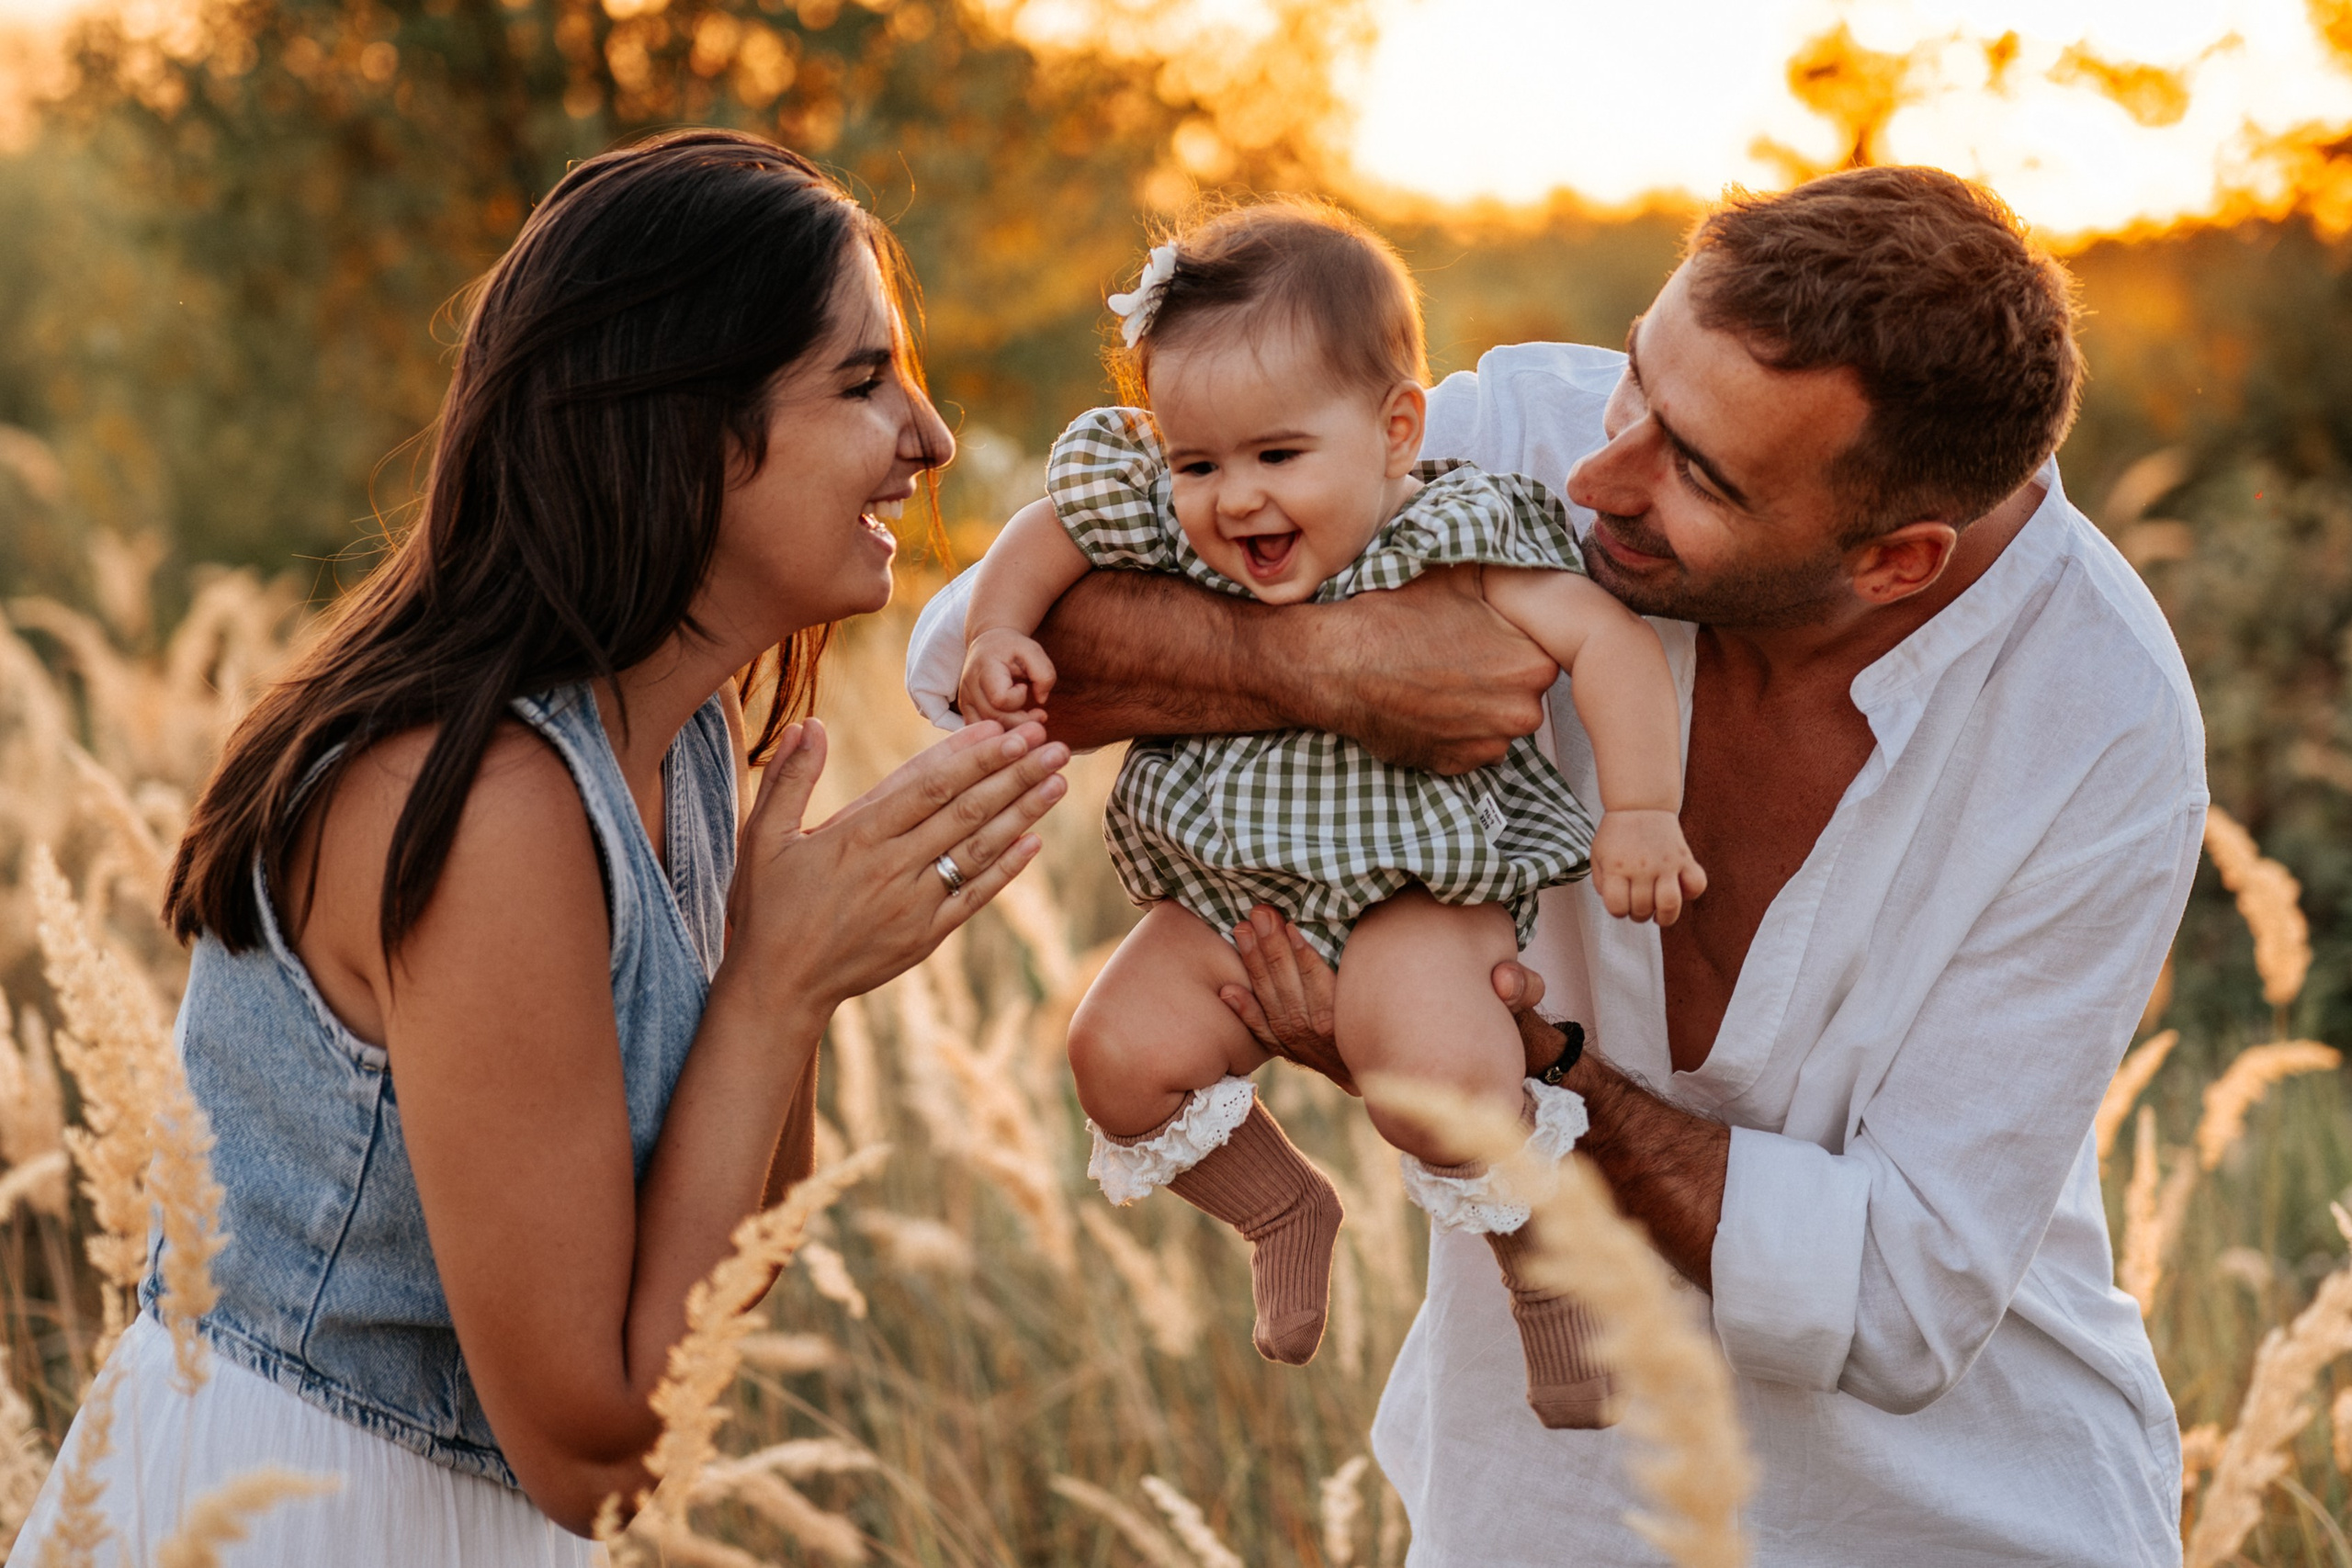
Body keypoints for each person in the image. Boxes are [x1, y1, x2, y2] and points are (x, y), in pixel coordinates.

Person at [908, 165, 2200, 1564]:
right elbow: (957, 658)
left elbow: (1898, 1299)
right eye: (1639, 382)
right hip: (1525, 1511)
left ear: (1896, 561)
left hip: (1950, 1525)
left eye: (1696, 472)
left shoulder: (2101, 722)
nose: (1602, 473)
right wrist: (1322, 661)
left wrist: (1534, 1080)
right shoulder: (1500, 445)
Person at [9, 130, 1070, 1564]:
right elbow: (601, 1453)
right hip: (300, 1522)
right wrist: (776, 989)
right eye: (862, 380)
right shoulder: (486, 803)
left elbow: (711, 1289)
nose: (931, 439)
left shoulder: (681, 747)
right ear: (685, 423)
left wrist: (786, 976)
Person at [955, 200, 1702, 1427]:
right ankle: (1282, 1207)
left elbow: (1605, 639)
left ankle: (1545, 1273)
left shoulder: (1451, 529)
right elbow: (1047, 531)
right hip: (1224, 896)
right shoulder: (1170, 523)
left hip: (1420, 892)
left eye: (1276, 456)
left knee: (1432, 1084)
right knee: (1115, 1057)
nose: (1234, 498)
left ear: (1394, 429)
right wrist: (996, 629)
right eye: (1197, 464)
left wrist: (1642, 810)